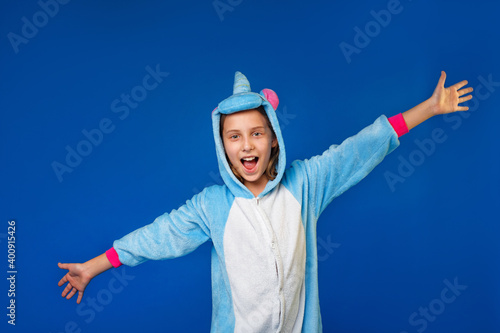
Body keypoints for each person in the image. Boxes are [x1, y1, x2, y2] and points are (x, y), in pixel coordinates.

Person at [58, 71, 473, 332]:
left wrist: (430, 108)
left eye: (256, 133)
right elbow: (158, 235)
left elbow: (361, 148)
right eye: (234, 137)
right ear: (222, 147)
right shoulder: (212, 206)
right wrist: (93, 267)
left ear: (273, 136)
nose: (246, 145)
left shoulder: (305, 183)